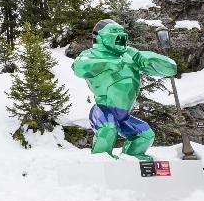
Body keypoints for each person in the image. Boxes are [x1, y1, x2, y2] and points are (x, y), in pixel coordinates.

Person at [71, 19, 177, 160]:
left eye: (121, 31)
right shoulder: (91, 54)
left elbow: (170, 69)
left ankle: (131, 157)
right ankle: (100, 160)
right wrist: (110, 63)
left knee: (145, 134)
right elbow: (78, 67)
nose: (121, 35)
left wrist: (146, 58)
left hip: (123, 115)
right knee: (108, 128)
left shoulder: (129, 54)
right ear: (100, 36)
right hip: (103, 110)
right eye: (114, 31)